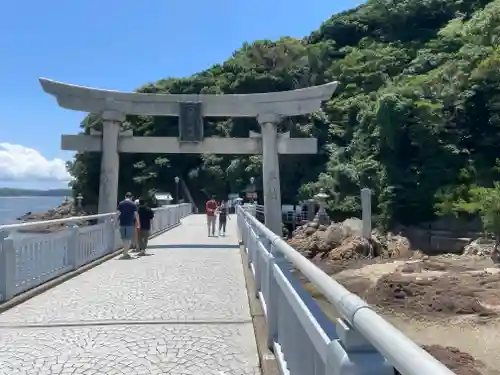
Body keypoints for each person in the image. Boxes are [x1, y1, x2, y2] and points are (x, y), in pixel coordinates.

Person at [117, 192, 138, 259]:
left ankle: (125, 252)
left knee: (123, 239)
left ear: (125, 196)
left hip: (122, 223)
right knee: (128, 239)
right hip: (130, 223)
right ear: (131, 197)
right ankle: (125, 253)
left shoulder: (121, 203)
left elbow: (118, 213)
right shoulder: (133, 204)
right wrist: (137, 222)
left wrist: (115, 221)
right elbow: (135, 214)